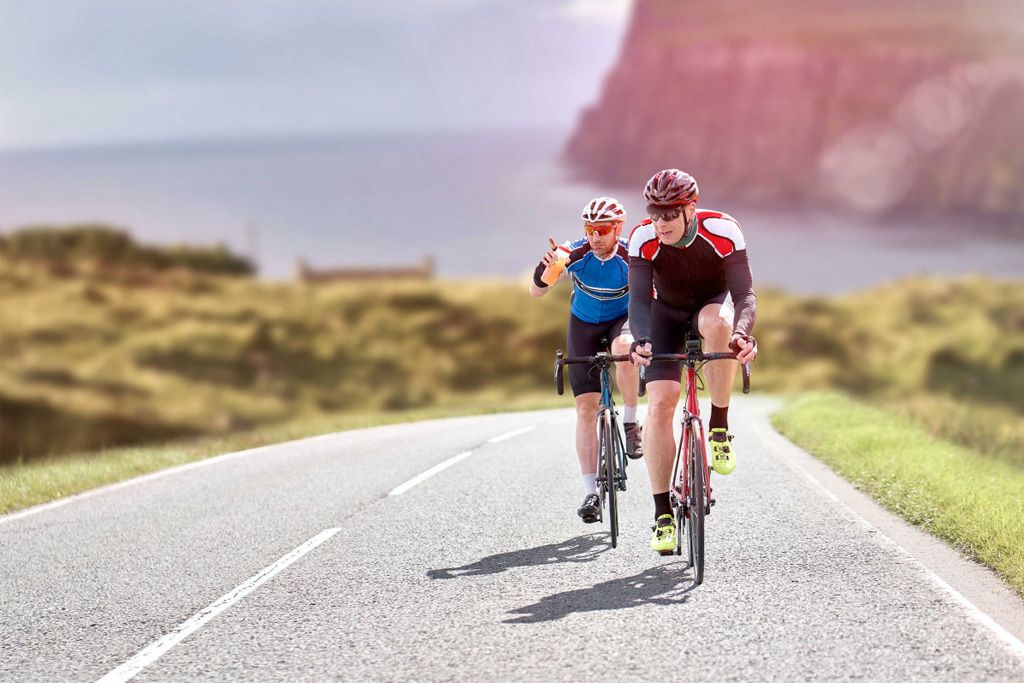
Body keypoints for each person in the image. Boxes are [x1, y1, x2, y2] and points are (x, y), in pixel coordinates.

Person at [626, 169, 758, 553]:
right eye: (654, 212)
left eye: (670, 214)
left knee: (718, 322)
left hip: (710, 307)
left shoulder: (724, 230)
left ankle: (718, 425)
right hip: (664, 315)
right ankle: (663, 512)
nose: (661, 222)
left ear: (690, 209)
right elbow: (637, 300)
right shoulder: (643, 237)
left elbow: (745, 293)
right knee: (662, 403)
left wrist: (743, 333)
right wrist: (642, 339)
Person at [529, 196, 643, 524]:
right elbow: (536, 292)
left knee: (624, 348)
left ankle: (632, 421)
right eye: (590, 229)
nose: (595, 237)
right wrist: (548, 266)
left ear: (617, 229)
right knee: (585, 409)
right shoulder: (574, 252)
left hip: (622, 319)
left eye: (603, 230)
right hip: (583, 324)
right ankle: (590, 491)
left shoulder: (629, 253)